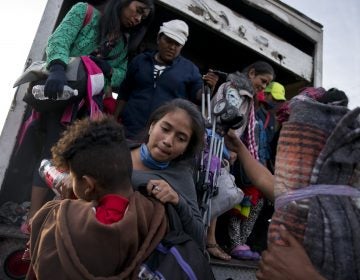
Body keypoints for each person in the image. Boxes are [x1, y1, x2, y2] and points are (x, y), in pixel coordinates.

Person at [22, 0, 155, 231]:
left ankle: (55, 214)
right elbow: (60, 39)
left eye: (143, 17)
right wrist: (56, 68)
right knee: (52, 152)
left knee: (74, 160)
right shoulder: (84, 12)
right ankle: (33, 217)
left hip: (87, 107)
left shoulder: (122, 43)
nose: (138, 19)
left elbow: (121, 74)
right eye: (138, 10)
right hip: (61, 94)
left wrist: (108, 70)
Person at [28, 115, 168, 279]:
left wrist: (66, 204)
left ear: (88, 185)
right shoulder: (149, 210)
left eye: (72, 177)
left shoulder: (76, 224)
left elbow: (45, 267)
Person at [206, 61, 275, 261]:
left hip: (221, 148)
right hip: (215, 148)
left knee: (215, 192)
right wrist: (230, 147)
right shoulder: (235, 91)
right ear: (251, 73)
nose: (263, 87)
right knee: (213, 191)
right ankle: (209, 241)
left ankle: (208, 240)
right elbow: (225, 120)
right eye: (263, 81)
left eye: (267, 84)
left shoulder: (245, 96)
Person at [114, 19, 218, 140]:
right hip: (128, 131)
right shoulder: (140, 61)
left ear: (182, 46)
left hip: (162, 137)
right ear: (159, 38)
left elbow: (199, 97)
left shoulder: (190, 70)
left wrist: (209, 87)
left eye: (177, 44)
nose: (172, 47)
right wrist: (113, 119)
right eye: (168, 41)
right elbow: (124, 93)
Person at [128, 98, 206, 248]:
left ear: (185, 148)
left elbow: (199, 238)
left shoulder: (180, 177)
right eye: (165, 129)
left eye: (181, 138)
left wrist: (177, 200)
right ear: (152, 126)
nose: (168, 141)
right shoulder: (117, 151)